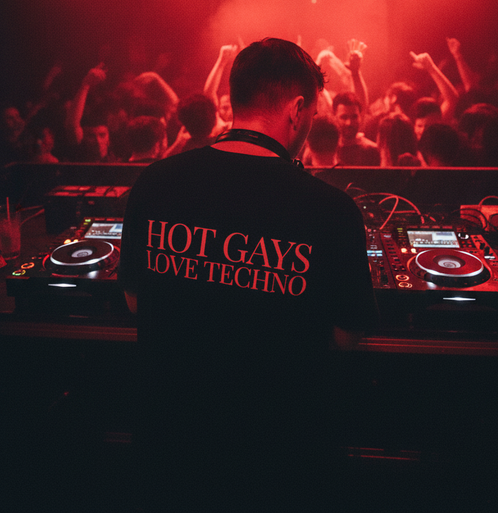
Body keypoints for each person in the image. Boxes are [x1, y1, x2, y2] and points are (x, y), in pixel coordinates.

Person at [119, 37, 375, 511]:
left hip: (168, 450)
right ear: (297, 109)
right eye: (313, 114)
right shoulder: (332, 211)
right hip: (277, 462)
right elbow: (344, 335)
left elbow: (136, 300)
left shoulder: (155, 182)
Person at [332, 91, 380, 166]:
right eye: (344, 117)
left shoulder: (373, 151)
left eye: (354, 117)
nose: (349, 123)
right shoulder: (325, 152)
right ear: (335, 117)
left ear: (360, 116)